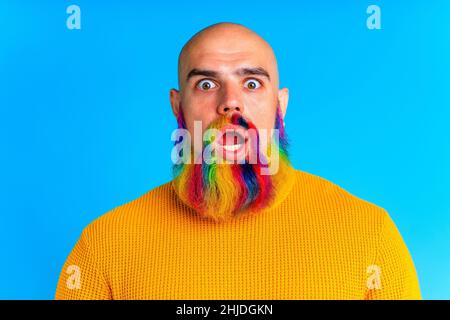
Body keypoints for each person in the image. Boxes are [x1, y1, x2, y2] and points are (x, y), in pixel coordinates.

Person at [55, 22, 421, 300]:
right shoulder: (104, 244)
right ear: (177, 105)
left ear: (280, 105)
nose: (231, 103)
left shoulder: (370, 234)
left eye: (251, 84)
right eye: (206, 85)